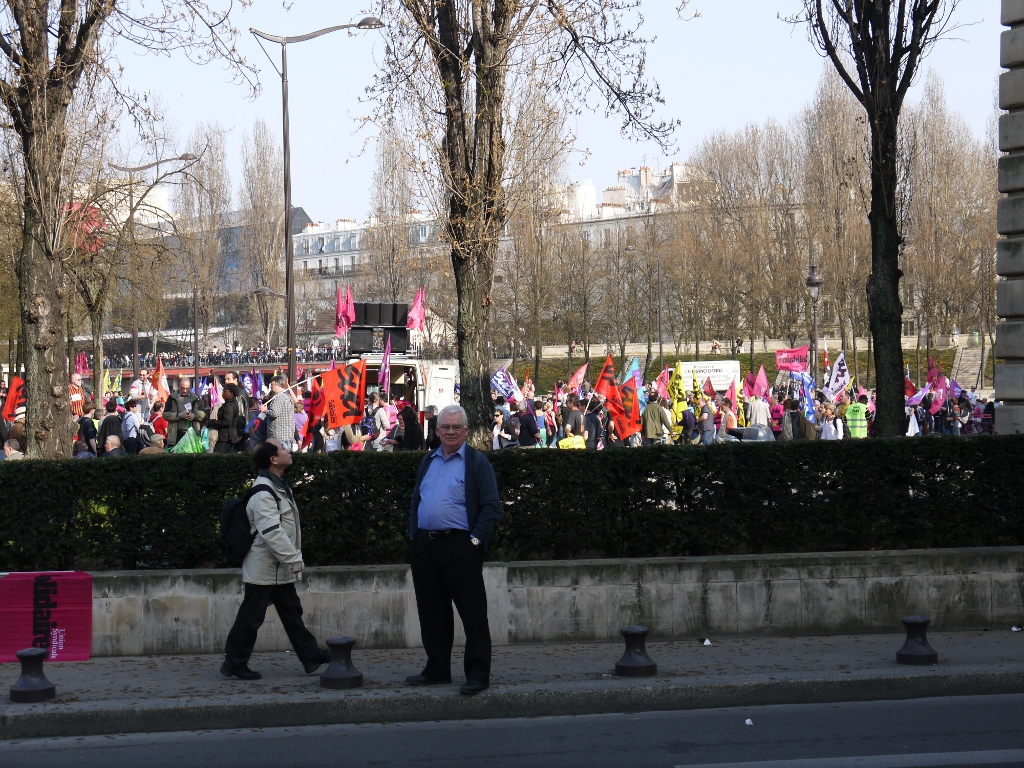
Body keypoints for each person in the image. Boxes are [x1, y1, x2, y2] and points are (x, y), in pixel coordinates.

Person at [406, 405, 502, 696]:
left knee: (473, 614)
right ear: (436, 431)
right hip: (427, 546)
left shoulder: (476, 462)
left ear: (466, 431)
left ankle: (477, 674)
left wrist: (475, 540)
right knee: (432, 611)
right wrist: (414, 537)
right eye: (445, 427)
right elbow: (415, 502)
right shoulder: (428, 461)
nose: (450, 432)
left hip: (461, 546)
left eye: (456, 427)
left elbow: (491, 506)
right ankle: (437, 668)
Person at [221, 439, 331, 681]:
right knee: (251, 617)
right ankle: (234, 662)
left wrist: (290, 560)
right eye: (283, 448)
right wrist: (294, 559)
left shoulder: (277, 486)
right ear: (273, 459)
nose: (288, 450)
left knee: (291, 612)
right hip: (265, 568)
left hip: (276, 567)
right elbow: (272, 532)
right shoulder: (263, 492)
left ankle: (310, 656)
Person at [165, 377, 206, 448]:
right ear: (178, 386)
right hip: (176, 433)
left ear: (190, 387)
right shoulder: (172, 397)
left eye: (187, 388)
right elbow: (165, 414)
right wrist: (179, 415)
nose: (184, 391)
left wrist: (194, 416)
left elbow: (203, 414)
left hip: (192, 432)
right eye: (182, 388)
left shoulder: (196, 398)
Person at [209, 384, 244, 453]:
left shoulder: (229, 405)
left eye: (225, 391)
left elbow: (227, 421)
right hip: (229, 436)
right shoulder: (232, 403)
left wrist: (212, 422)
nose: (222, 393)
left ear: (231, 393)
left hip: (226, 437)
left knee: (217, 457)